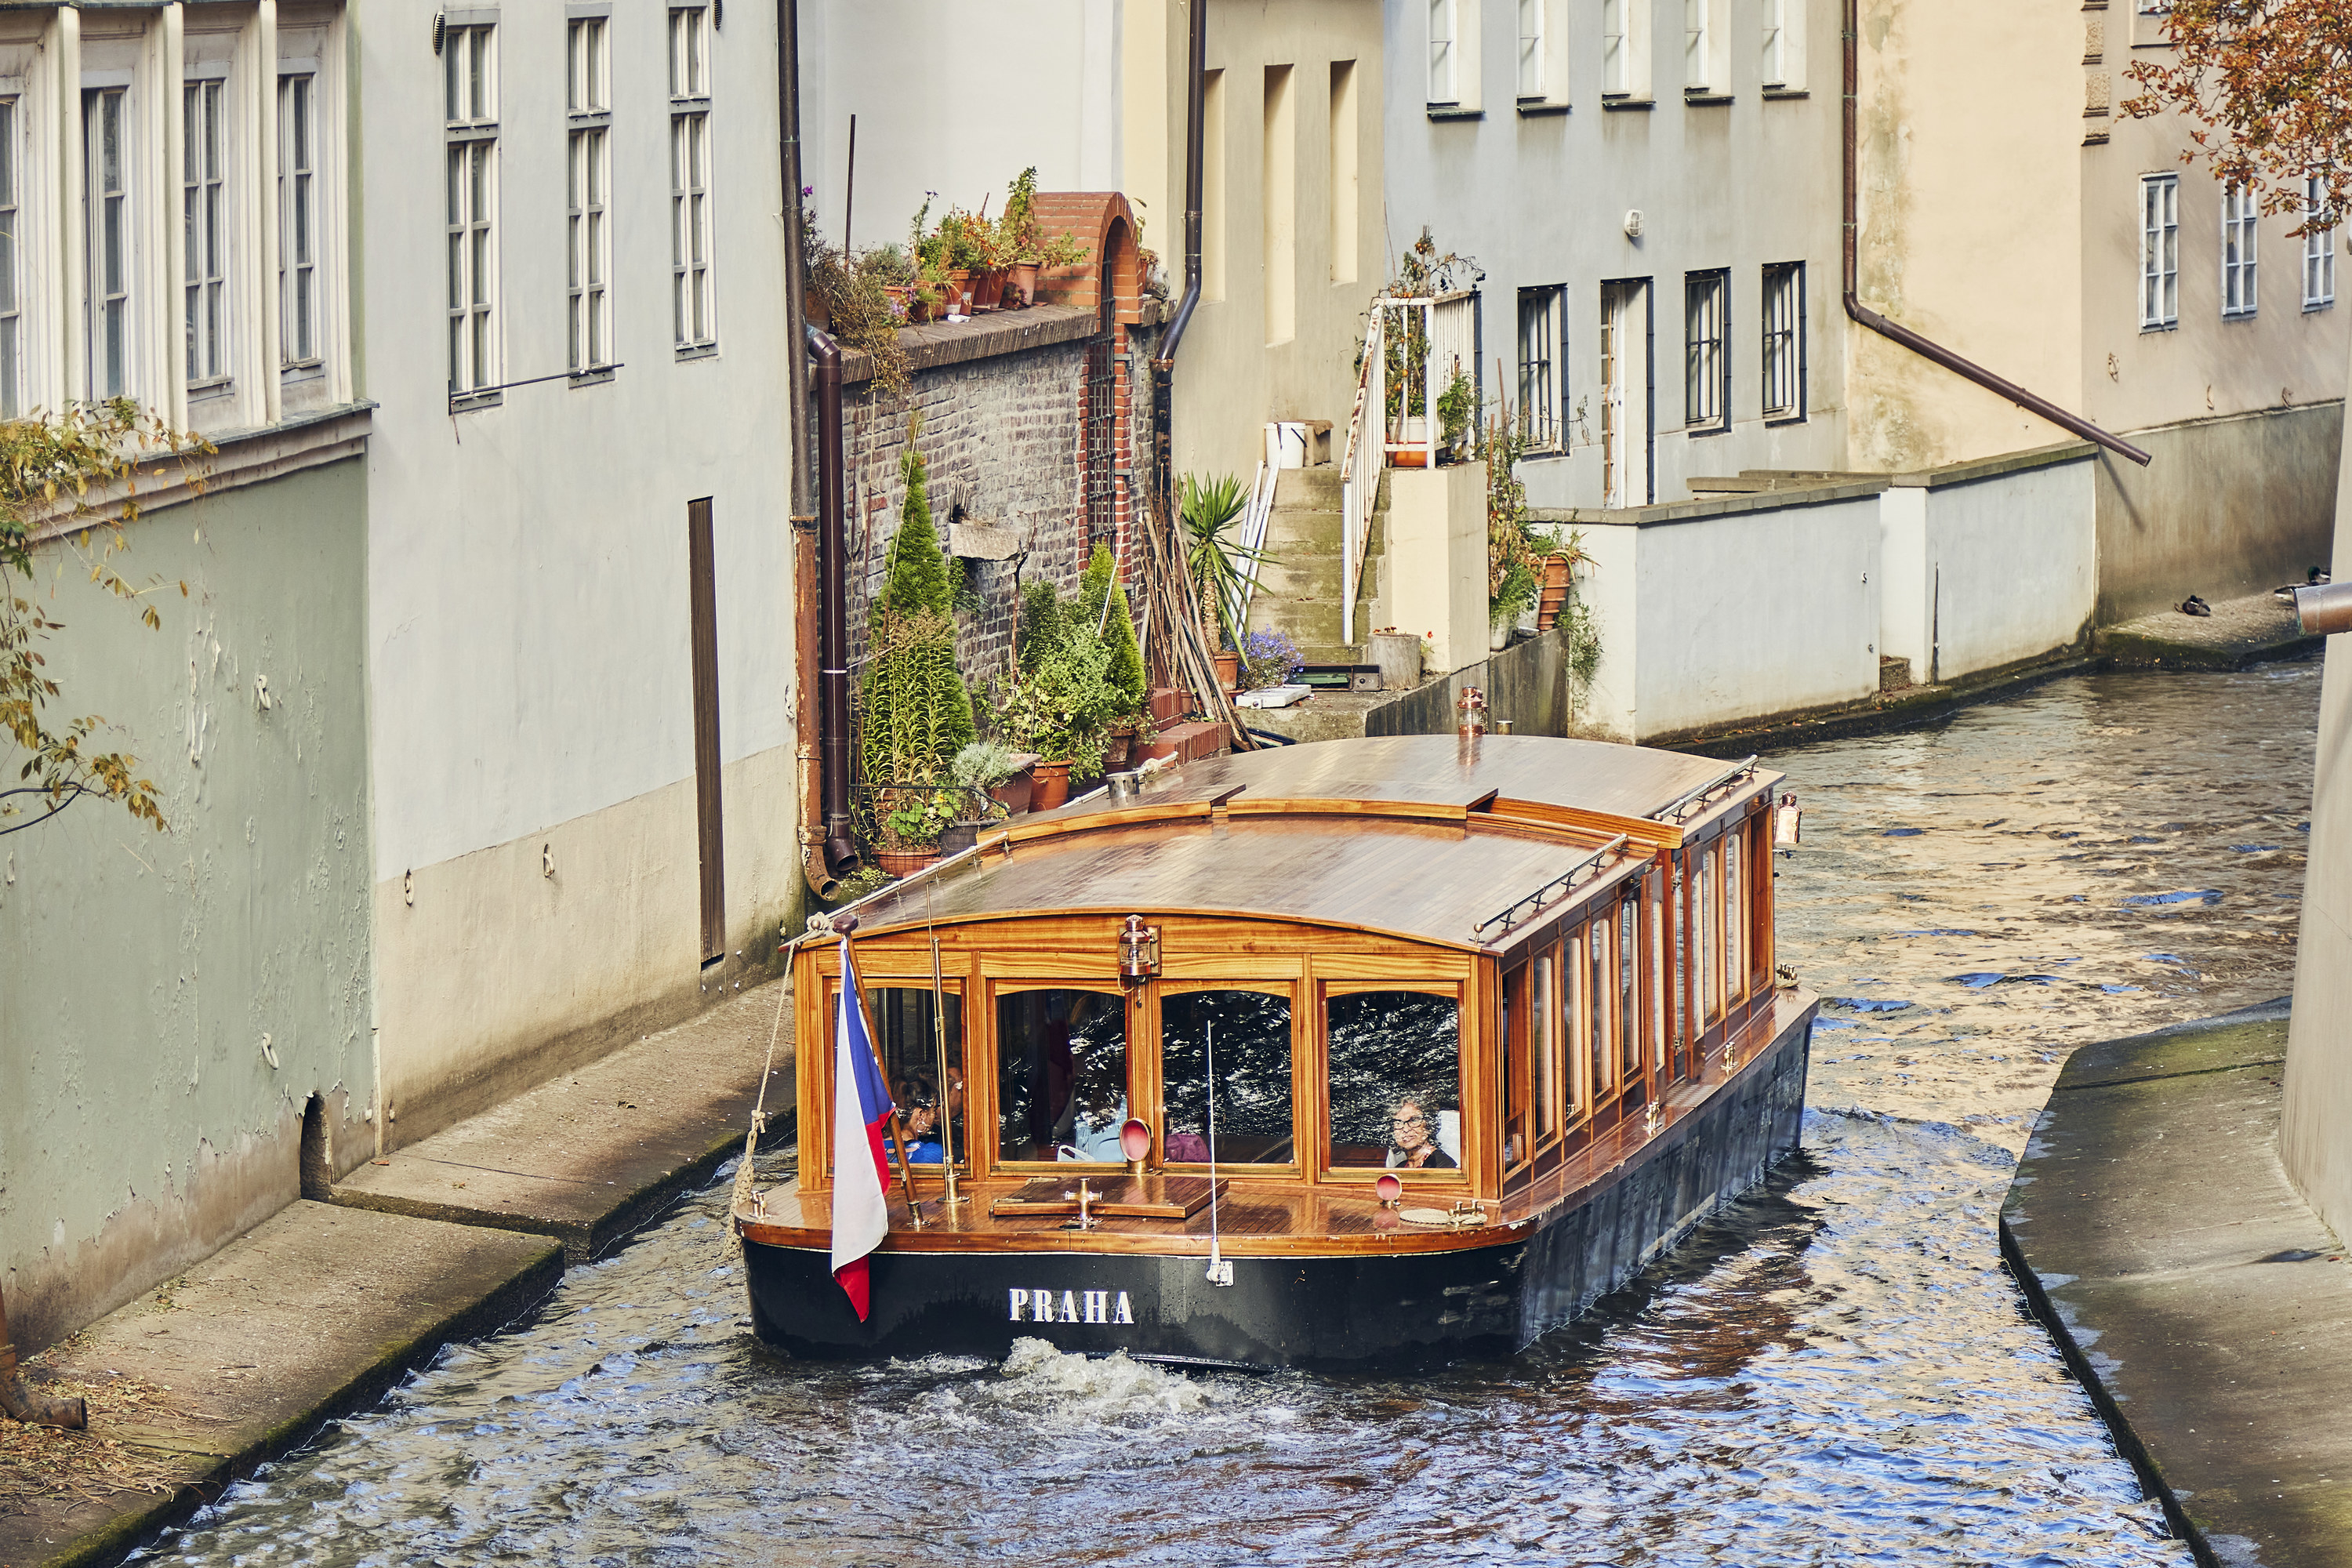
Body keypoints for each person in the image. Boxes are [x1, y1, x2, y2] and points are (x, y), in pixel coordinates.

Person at [1385, 1098, 1456, 1170]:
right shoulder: (1400, 1167)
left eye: (1414, 1120)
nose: (1406, 1129)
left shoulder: (1443, 1166)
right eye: (1398, 1123)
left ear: (1428, 1124)